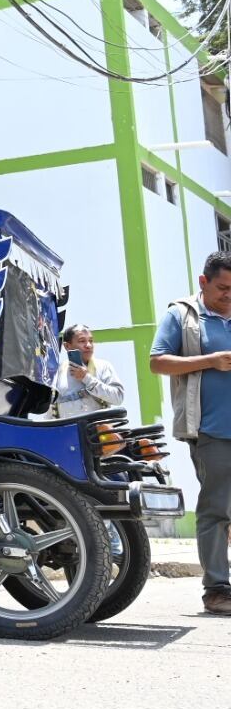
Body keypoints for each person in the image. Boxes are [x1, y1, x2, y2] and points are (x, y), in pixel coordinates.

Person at [151, 252, 231, 617]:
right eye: (222, 288)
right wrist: (210, 361)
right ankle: (216, 589)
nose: (229, 296)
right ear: (203, 282)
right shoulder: (182, 316)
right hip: (212, 430)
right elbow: (158, 361)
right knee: (217, 509)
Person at [47, 324, 124, 418]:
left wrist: (87, 378)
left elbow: (118, 398)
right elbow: (50, 411)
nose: (88, 345)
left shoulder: (103, 366)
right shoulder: (57, 372)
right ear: (67, 346)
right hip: (67, 431)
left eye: (91, 341)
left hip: (98, 430)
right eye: (82, 341)